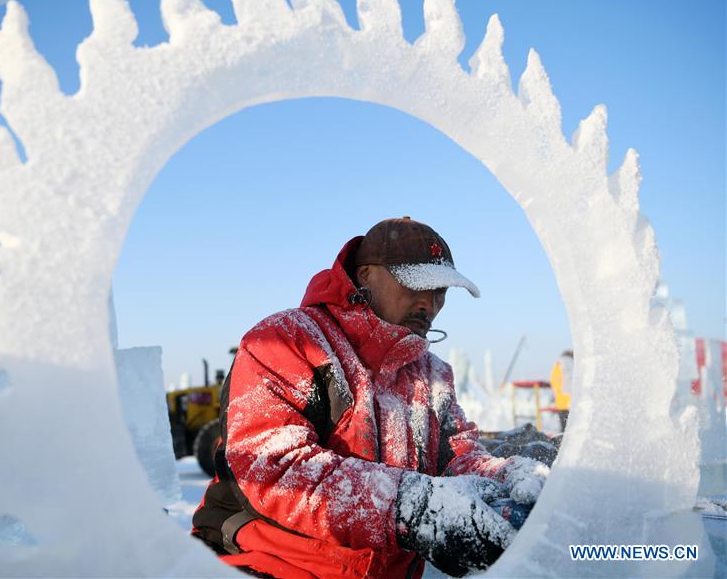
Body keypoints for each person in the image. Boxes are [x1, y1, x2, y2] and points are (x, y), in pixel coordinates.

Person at [192, 217, 549, 579]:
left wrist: (507, 475)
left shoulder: (432, 373)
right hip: (270, 565)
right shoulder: (287, 341)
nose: (430, 303)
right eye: (417, 284)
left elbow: (456, 457)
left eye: (441, 290)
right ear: (365, 275)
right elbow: (275, 468)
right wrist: (410, 505)